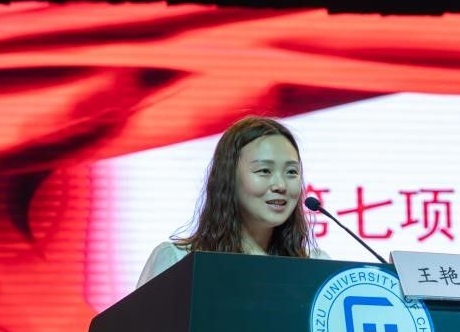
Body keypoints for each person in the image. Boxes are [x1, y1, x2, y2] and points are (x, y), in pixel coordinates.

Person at [137, 115, 328, 287]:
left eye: (292, 172)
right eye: (264, 171)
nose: (280, 185)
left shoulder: (317, 267)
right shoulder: (178, 261)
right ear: (228, 178)